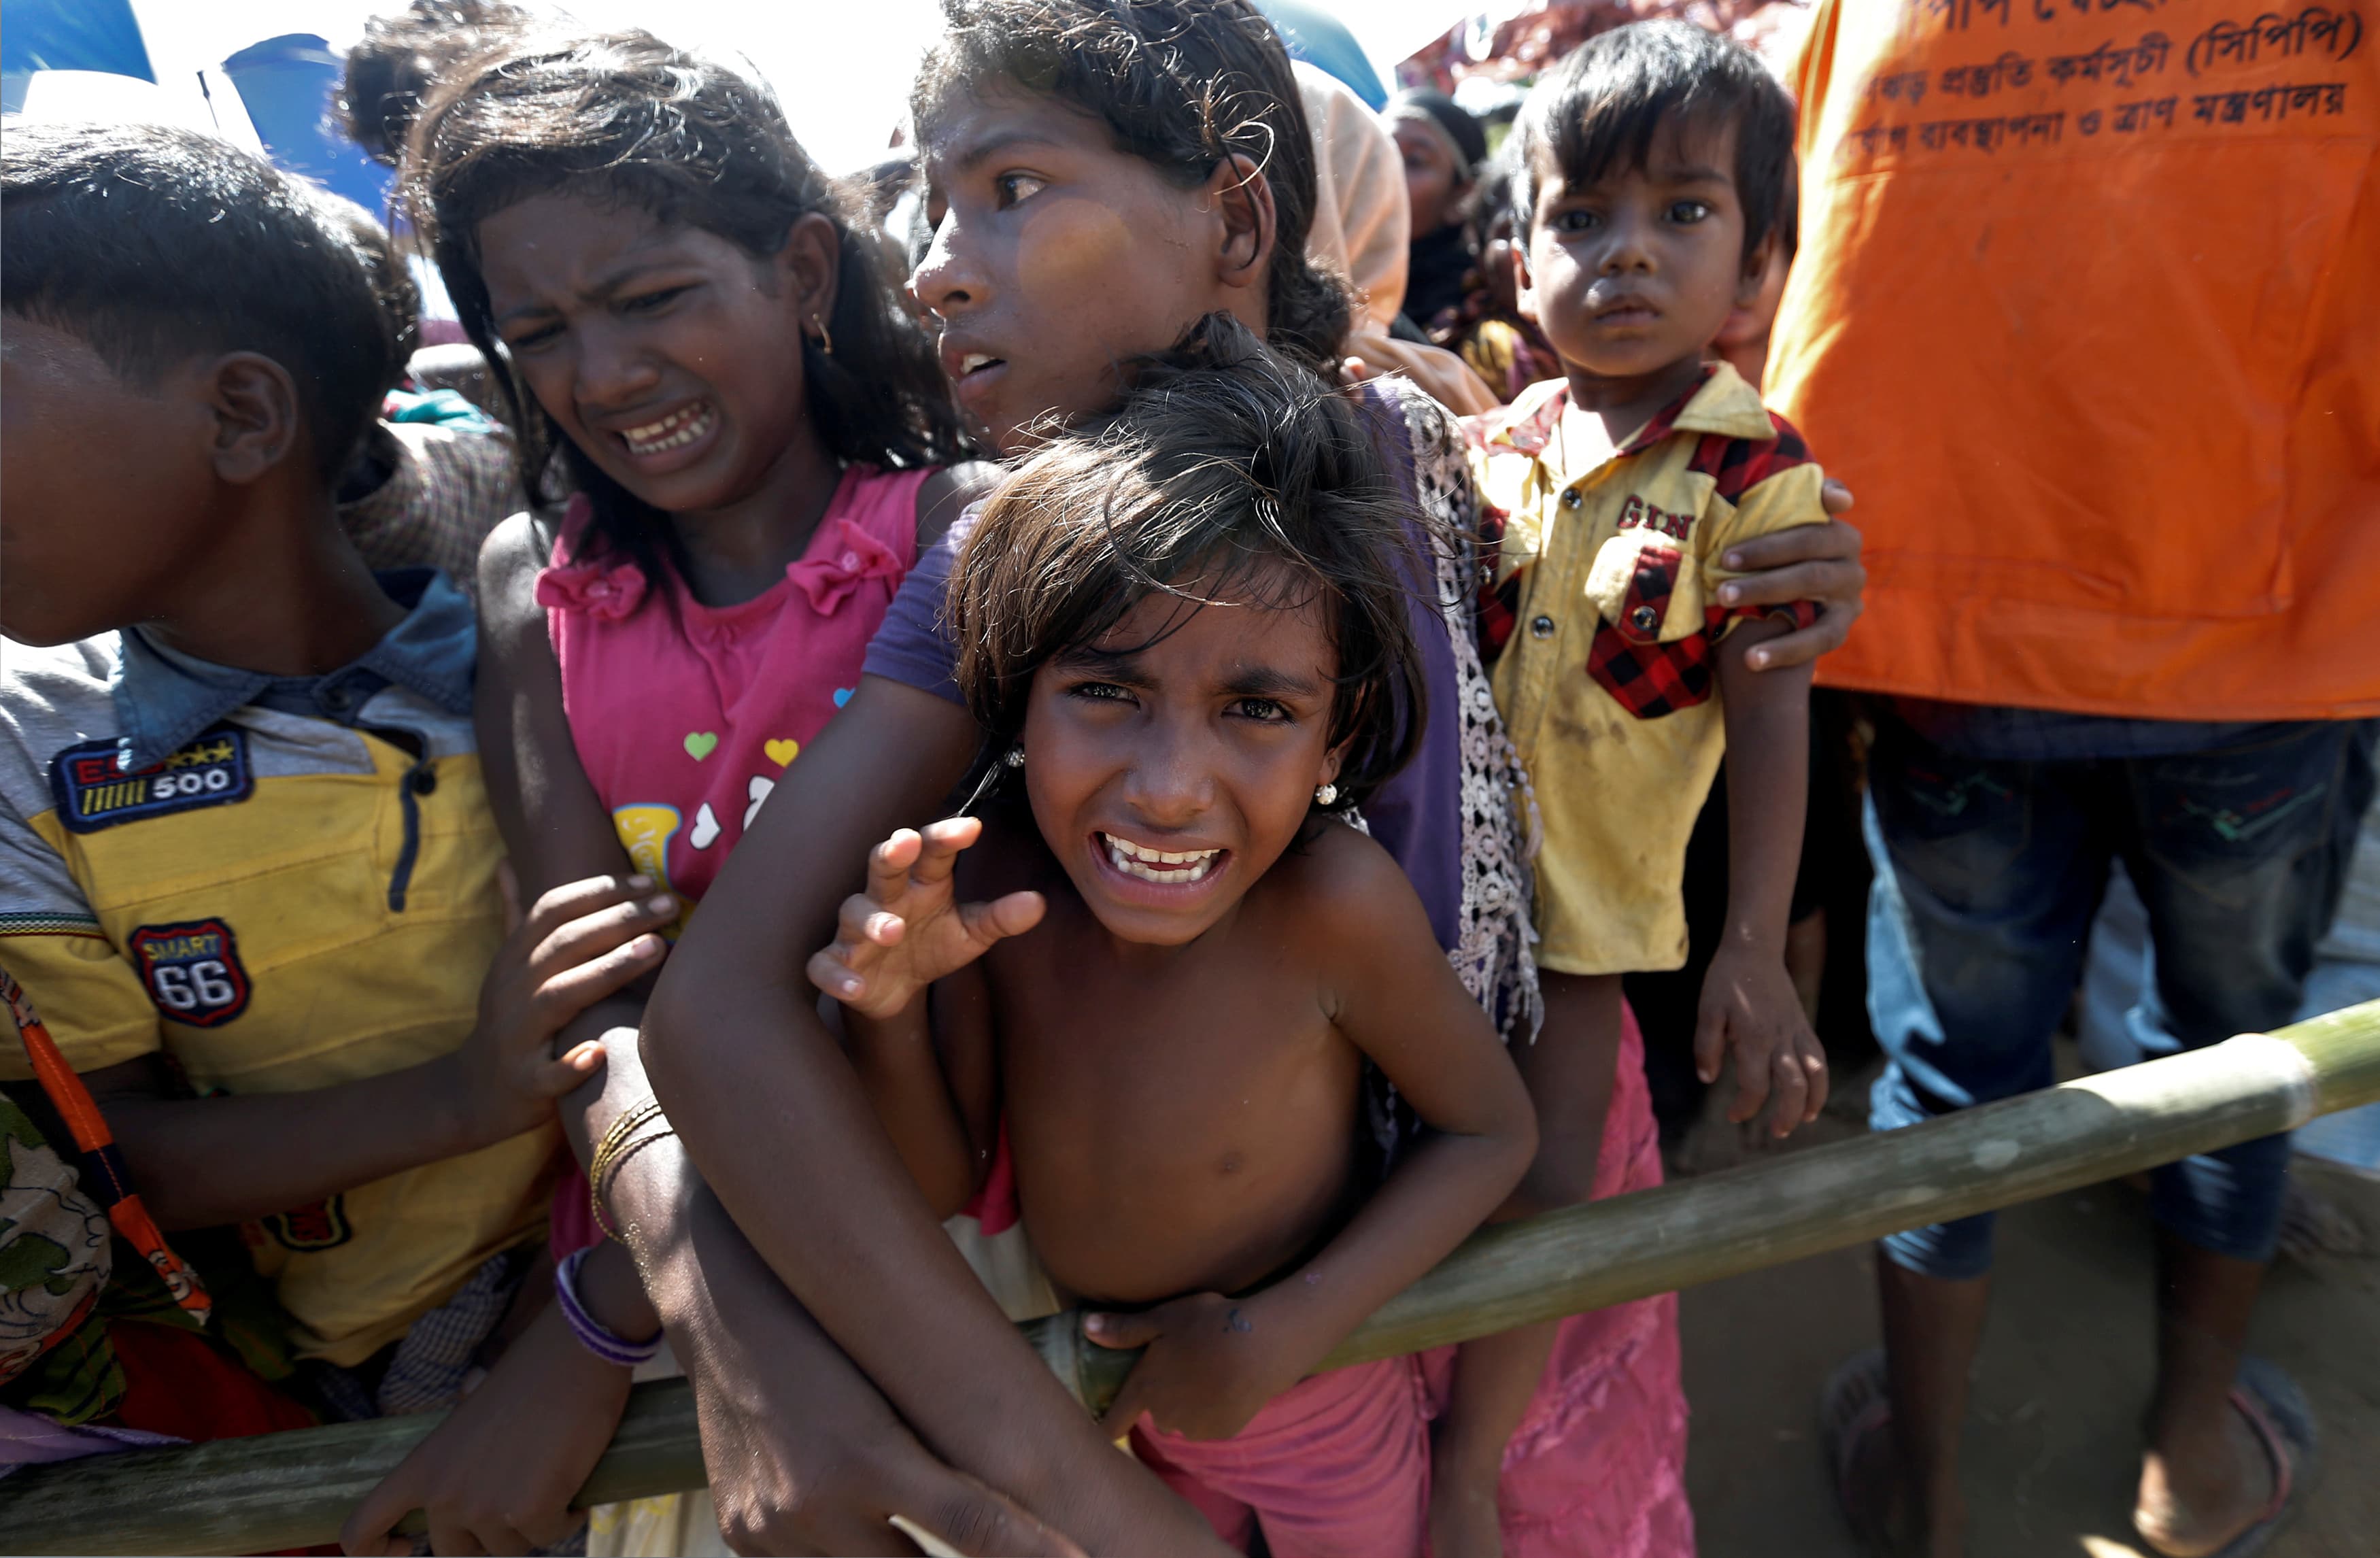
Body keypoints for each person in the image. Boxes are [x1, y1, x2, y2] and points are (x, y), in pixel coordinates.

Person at [456, 5, 1861, 1553]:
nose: (931, 264)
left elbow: (1665, 542)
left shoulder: (1442, 448)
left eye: (1010, 188)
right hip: (1193, 1334)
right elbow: (715, 1013)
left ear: (1237, 214)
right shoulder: (1001, 550)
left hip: (1496, 1224)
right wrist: (1069, 1490)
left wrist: (1784, 572)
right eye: (931, 206)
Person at [333, 31, 986, 1555]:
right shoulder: (532, 588)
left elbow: (883, 1002)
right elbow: (591, 1003)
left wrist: (595, 1323)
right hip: (661, 1236)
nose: (604, 374)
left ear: (805, 272)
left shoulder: (959, 538)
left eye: (651, 297)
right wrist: (653, 1310)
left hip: (918, 1236)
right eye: (537, 326)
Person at [1765, 2, 2380, 1555]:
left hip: (1951, 647)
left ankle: (1928, 1492)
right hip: (2263, 646)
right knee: (2235, 1058)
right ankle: (2190, 1461)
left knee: (1949, 1080)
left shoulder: (1868, 15)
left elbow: (1803, 303)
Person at [815, 319, 1539, 1555]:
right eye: (1106, 692)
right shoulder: (998, 885)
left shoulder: (1332, 906)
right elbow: (944, 1177)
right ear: (1016, 690)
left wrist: (1282, 1335)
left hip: (1319, 1394)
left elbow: (1492, 1131)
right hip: (1108, 1410)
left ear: (1340, 734)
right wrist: (883, 1018)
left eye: (1256, 708)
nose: (1167, 787)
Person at [0, 121, 670, 1450]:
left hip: (619, 1338)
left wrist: (577, 1323)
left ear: (243, 414)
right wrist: (460, 1096)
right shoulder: (34, 751)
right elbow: (108, 1158)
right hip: (307, 1409)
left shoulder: (556, 674)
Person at [1384, 88, 1488, 334]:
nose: (1384, 168)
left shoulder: (1476, 315)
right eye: (1381, 150)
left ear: (1460, 198)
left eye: (1415, 160)